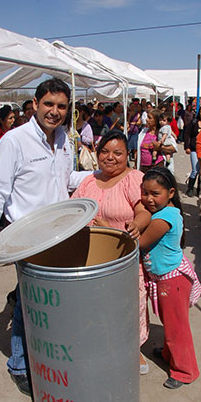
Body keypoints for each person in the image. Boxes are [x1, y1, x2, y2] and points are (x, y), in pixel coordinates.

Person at [0, 78, 90, 396]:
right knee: (31, 302)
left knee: (49, 299)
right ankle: (19, 364)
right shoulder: (15, 141)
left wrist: (100, 173)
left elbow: (66, 179)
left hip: (60, 232)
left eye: (62, 106)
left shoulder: (64, 140)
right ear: (36, 104)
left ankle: (49, 353)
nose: (55, 112)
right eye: (49, 104)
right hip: (27, 237)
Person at [72, 130, 151, 373]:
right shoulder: (88, 181)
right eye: (104, 151)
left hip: (122, 256)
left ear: (128, 154)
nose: (110, 157)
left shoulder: (133, 178)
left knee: (127, 305)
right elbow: (73, 208)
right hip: (90, 257)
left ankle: (132, 348)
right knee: (96, 307)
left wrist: (136, 225)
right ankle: (100, 346)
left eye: (118, 153)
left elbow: (145, 210)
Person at [137, 168, 201, 389]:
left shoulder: (163, 218)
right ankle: (168, 353)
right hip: (166, 278)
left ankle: (185, 371)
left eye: (155, 193)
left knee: (176, 328)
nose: (148, 199)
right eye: (144, 193)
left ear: (171, 192)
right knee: (171, 323)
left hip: (171, 281)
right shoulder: (167, 212)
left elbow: (139, 244)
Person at [184, 105, 201, 197]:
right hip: (194, 149)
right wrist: (187, 146)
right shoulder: (194, 122)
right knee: (195, 170)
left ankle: (199, 188)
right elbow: (187, 134)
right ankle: (190, 188)